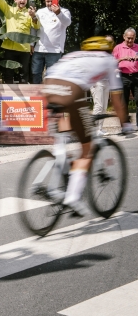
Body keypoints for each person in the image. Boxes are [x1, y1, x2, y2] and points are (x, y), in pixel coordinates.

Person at [42, 36, 135, 216]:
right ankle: (73, 197)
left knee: (66, 123)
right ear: (108, 50)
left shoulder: (75, 54)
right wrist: (125, 124)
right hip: (72, 89)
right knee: (87, 147)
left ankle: (60, 157)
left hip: (50, 84)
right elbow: (117, 100)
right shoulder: (109, 60)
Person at [0, 0, 40, 84]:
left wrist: (33, 16)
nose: (22, 0)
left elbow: (36, 26)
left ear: (27, 0)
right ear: (15, 0)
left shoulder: (30, 13)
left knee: (24, 74)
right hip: (9, 47)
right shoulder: (9, 10)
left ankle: (23, 99)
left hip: (24, 49)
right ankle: (8, 98)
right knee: (8, 73)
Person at [31, 0, 72, 84]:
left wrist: (58, 13)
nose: (49, 3)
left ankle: (51, 97)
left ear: (58, 0)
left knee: (52, 77)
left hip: (54, 51)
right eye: (47, 1)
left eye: (51, 1)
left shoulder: (64, 11)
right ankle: (37, 96)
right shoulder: (40, 12)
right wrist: (31, 43)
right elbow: (34, 27)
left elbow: (67, 23)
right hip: (39, 49)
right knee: (35, 73)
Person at [112, 28, 138, 127]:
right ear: (124, 37)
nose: (130, 40)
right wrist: (122, 59)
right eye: (128, 38)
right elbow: (111, 63)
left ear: (135, 37)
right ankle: (125, 126)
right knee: (123, 102)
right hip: (123, 76)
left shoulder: (137, 47)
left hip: (136, 75)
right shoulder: (118, 48)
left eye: (132, 38)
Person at [91, 35, 116, 136]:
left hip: (106, 82)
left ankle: (100, 129)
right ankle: (94, 130)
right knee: (98, 106)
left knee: (104, 107)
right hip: (97, 82)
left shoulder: (110, 55)